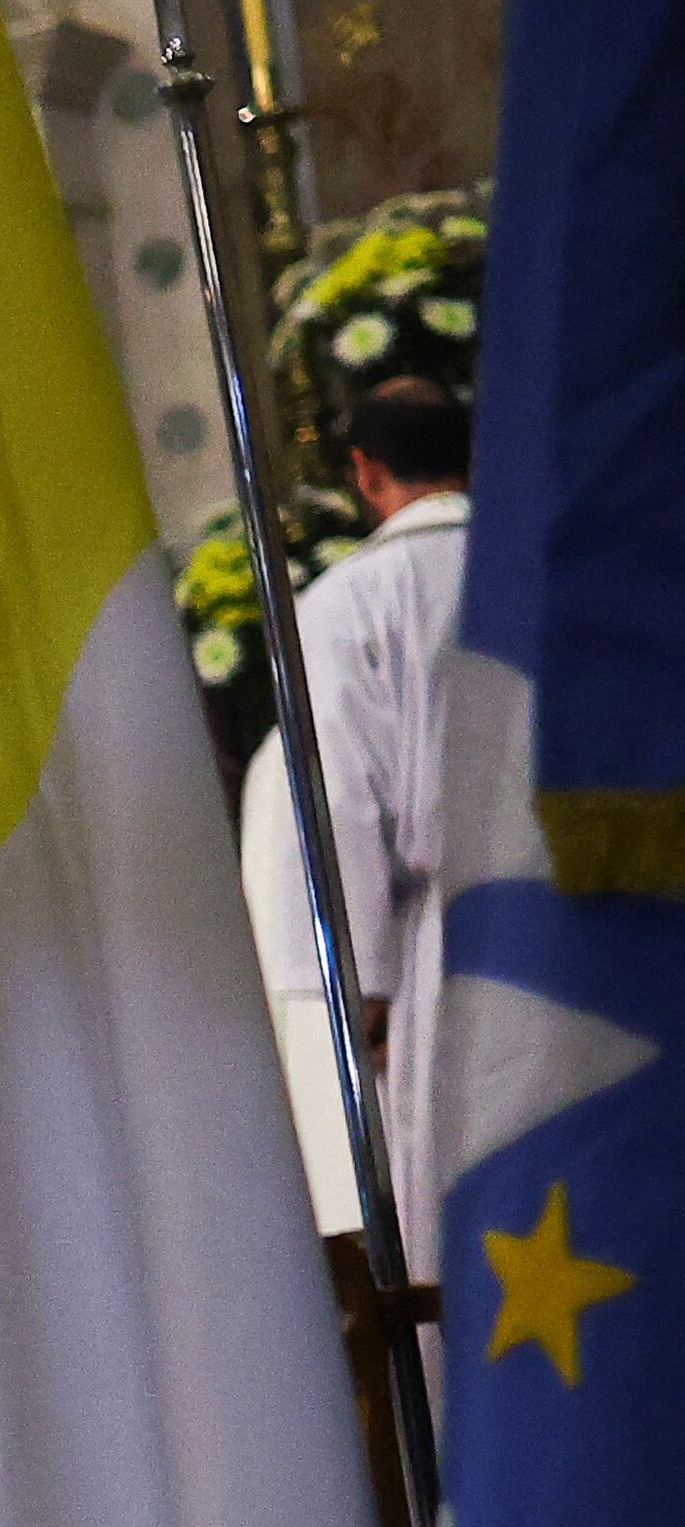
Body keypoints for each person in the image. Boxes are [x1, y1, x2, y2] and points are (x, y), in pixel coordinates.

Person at [238, 377, 473, 1256]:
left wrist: (360, 986)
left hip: (434, 953)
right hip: (581, 922)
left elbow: (338, 793)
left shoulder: (347, 604)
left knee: (447, 1227)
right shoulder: (548, 581)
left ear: (365, 473)